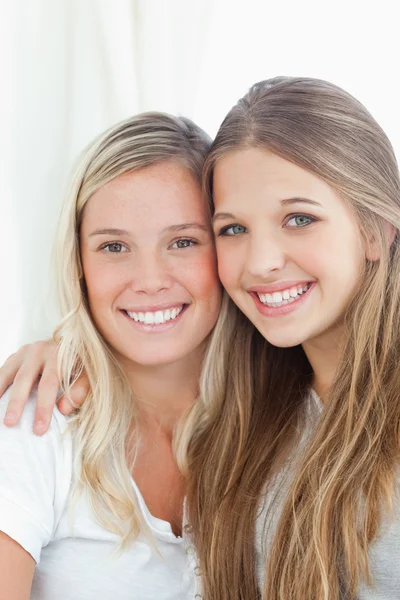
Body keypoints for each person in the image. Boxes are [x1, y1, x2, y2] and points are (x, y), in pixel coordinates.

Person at [2, 77, 400, 600]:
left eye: (299, 219)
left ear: (376, 229)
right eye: (234, 229)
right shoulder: (258, 407)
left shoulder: (262, 405)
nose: (262, 262)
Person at [0, 111, 222, 599]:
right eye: (114, 246)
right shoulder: (33, 420)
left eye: (183, 241)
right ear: (79, 263)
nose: (149, 279)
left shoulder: (283, 420)